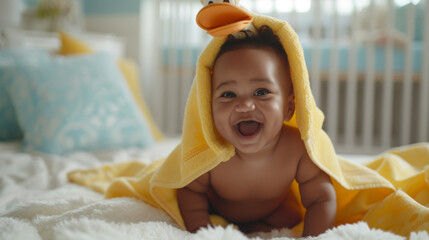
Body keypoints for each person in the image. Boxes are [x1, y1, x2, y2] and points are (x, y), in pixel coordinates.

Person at [177, 25, 336, 237]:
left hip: (274, 211)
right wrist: (201, 228)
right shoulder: (209, 151)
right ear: (208, 109)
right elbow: (189, 190)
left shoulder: (297, 149)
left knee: (291, 216)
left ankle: (257, 227)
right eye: (228, 94)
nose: (244, 105)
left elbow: (321, 198)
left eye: (261, 92)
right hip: (217, 210)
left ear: (289, 108)